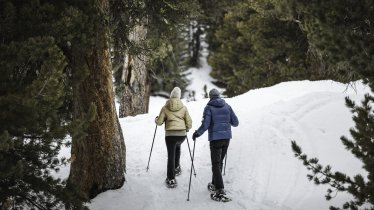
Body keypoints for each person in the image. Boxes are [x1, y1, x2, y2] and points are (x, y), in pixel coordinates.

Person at [192, 88, 239, 202]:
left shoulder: (209, 108)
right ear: (219, 96)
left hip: (215, 140)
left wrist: (197, 133)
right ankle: (214, 183)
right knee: (219, 162)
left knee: (215, 164)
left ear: (210, 97)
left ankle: (220, 190)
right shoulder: (227, 106)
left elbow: (205, 124)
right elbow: (235, 123)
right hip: (226, 139)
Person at [155, 87, 192, 188]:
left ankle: (171, 179)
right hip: (181, 135)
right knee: (178, 147)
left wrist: (157, 119)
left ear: (171, 96)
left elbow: (159, 122)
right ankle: (176, 167)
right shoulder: (184, 108)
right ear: (179, 97)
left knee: (171, 155)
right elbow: (189, 122)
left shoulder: (165, 107)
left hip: (170, 135)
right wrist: (187, 128)